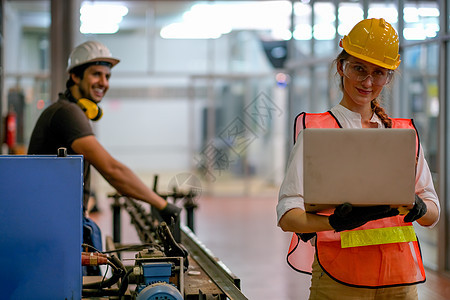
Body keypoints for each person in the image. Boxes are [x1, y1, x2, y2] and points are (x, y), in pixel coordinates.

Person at [277, 18, 440, 300]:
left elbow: (433, 214)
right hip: (339, 281)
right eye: (359, 68)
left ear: (389, 77)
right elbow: (287, 216)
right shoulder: (316, 133)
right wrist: (334, 223)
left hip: (399, 282)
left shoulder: (404, 135)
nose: (367, 81)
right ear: (341, 66)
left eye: (379, 73)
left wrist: (418, 207)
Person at [28, 41, 181, 254]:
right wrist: (162, 205)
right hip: (53, 229)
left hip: (57, 222)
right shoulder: (68, 113)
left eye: (107, 76)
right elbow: (112, 169)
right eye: (96, 74)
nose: (104, 82)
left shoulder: (70, 111)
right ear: (75, 76)